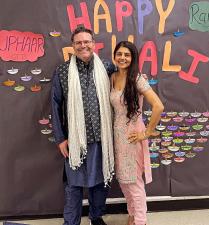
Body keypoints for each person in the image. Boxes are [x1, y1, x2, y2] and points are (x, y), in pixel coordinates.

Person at [51, 26, 115, 225]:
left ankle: (96, 217)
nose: (83, 45)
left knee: (100, 182)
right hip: (75, 139)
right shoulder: (62, 71)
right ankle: (71, 222)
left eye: (87, 41)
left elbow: (124, 84)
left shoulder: (106, 67)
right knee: (74, 185)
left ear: (94, 44)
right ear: (73, 45)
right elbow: (55, 104)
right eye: (78, 42)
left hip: (101, 137)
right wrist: (60, 138)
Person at [110, 41, 164, 225]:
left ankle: (141, 221)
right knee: (124, 181)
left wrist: (146, 133)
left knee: (134, 183)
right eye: (119, 54)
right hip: (117, 137)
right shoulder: (112, 77)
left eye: (127, 55)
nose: (122, 58)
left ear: (132, 58)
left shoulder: (138, 79)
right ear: (115, 56)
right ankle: (132, 217)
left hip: (132, 137)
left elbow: (158, 106)